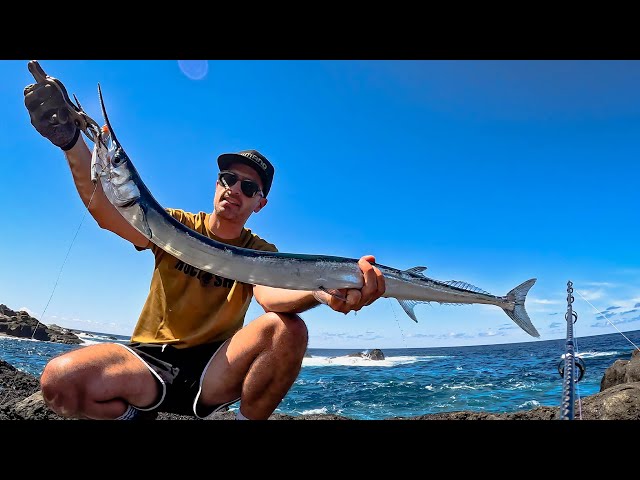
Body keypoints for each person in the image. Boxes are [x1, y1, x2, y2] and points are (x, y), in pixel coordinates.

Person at [23, 65, 386, 420]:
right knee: (60, 381)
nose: (235, 189)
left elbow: (271, 296)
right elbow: (107, 210)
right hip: (148, 361)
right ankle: (133, 415)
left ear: (260, 203)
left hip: (216, 370)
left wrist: (323, 291)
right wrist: (71, 142)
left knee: (286, 328)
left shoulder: (261, 253)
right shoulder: (175, 224)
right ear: (217, 183)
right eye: (228, 178)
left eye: (249, 187)